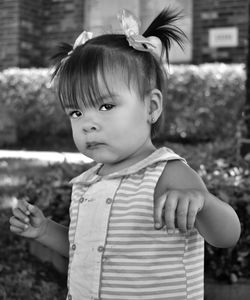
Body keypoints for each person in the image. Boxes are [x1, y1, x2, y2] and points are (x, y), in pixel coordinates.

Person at [10, 8, 240, 300]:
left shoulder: (167, 173)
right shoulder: (87, 183)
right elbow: (88, 253)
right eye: (76, 112)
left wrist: (203, 203)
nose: (88, 123)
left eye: (106, 106)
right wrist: (44, 231)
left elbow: (227, 235)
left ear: (152, 107)